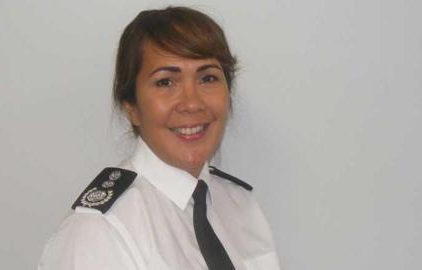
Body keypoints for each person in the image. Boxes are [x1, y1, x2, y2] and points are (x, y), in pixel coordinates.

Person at [38, 6, 280, 270]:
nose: (191, 103)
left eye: (208, 78)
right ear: (131, 106)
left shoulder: (241, 206)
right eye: (166, 82)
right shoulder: (99, 233)